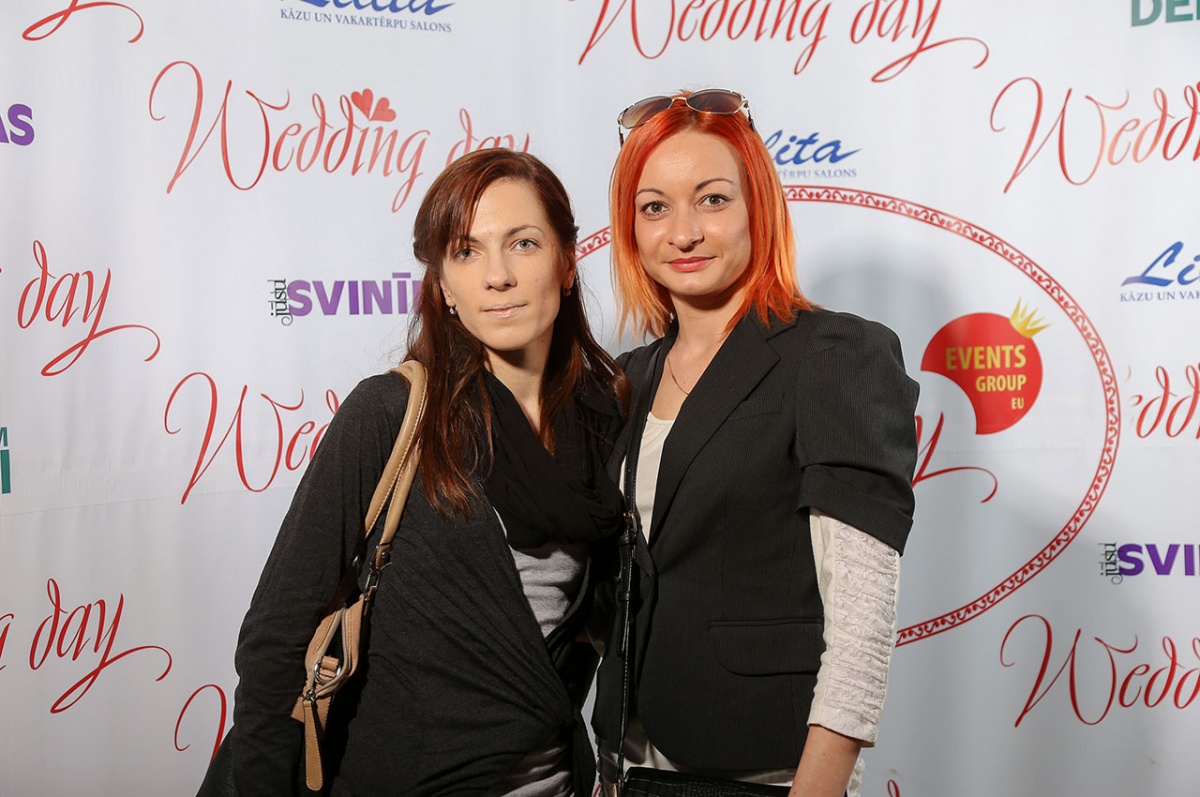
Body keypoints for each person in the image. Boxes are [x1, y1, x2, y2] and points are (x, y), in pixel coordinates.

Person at [223, 148, 628, 796]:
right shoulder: (389, 413)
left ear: (567, 262)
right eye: (466, 252)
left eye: (523, 243)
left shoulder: (605, 420)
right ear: (442, 285)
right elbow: (276, 639)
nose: (498, 276)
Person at [591, 89, 920, 797]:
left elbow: (861, 613)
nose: (683, 233)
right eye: (654, 207)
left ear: (758, 208)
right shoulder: (629, 377)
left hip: (769, 769)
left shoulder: (834, 354)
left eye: (712, 199)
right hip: (632, 762)